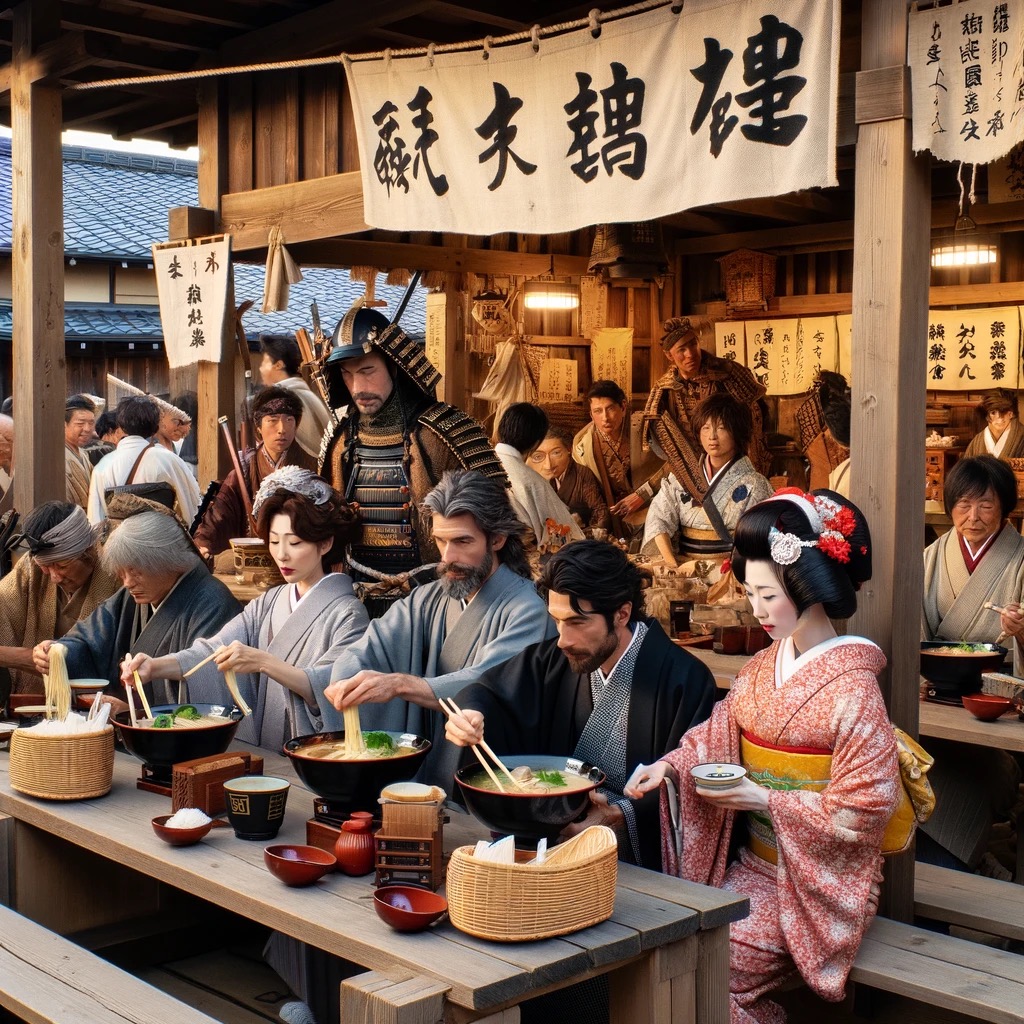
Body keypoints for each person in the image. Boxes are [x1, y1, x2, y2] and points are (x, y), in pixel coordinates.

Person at [625, 490, 900, 1024]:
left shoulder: (855, 689)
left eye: (767, 595)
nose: (755, 609)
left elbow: (867, 808)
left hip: (820, 884)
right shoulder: (761, 668)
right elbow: (715, 735)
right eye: (749, 593)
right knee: (680, 944)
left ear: (807, 586)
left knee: (712, 966)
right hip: (755, 867)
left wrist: (767, 800)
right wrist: (673, 767)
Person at [444, 540, 716, 870]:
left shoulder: (685, 680)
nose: (563, 639)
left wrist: (620, 816)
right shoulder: (555, 659)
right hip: (555, 840)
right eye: (557, 621)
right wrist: (472, 714)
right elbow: (487, 691)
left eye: (576, 622)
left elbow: (691, 783)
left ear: (622, 613)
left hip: (630, 851)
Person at [318, 469, 555, 783]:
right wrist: (346, 680)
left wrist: (399, 684)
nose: (448, 557)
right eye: (441, 541)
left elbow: (486, 685)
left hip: (489, 776)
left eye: (462, 541)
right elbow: (372, 646)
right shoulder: (426, 599)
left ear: (497, 539)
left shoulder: (528, 610)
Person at [124, 469, 367, 748]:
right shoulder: (269, 601)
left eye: (295, 542)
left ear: (325, 543)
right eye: (274, 542)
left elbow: (333, 688)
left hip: (312, 752)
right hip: (266, 750)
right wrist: (154, 667)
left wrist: (263, 661)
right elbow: (211, 651)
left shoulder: (348, 614)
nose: (282, 554)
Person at [318, 301, 504, 615]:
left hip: (439, 600)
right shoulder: (339, 436)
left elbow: (497, 523)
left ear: (393, 365)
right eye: (347, 375)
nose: (358, 387)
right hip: (354, 600)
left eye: (367, 371)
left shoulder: (447, 430)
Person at [920, 454, 1024, 870]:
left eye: (986, 504)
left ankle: (963, 860)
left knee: (977, 771)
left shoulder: (1019, 558)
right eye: (963, 504)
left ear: (1005, 508)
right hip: (936, 695)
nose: (973, 516)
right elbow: (915, 626)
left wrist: (1020, 632)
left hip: (997, 704)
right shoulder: (933, 555)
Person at [32, 506, 241, 702]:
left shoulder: (214, 604)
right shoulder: (132, 597)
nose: (128, 583)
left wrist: (136, 714)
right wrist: (58, 651)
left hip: (178, 733)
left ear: (166, 561)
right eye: (122, 573)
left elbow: (208, 682)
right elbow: (88, 639)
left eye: (136, 572)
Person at [643, 316, 768, 503]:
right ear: (669, 355)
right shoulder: (664, 389)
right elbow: (667, 444)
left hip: (734, 461)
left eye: (693, 344)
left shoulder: (727, 373)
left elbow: (754, 419)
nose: (690, 354)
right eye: (681, 350)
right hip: (691, 469)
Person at [642, 393, 773, 568]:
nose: (712, 436)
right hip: (685, 570)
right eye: (705, 427)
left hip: (730, 572)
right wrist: (671, 563)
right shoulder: (682, 478)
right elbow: (658, 519)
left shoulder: (756, 484)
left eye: (721, 428)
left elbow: (759, 540)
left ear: (737, 432)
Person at [0, 501, 119, 694]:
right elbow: (3, 601)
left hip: (103, 702)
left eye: (62, 566)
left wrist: (25, 657)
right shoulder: (31, 569)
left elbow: (101, 656)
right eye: (45, 567)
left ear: (87, 551)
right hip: (39, 704)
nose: (54, 577)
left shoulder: (114, 573)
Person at [193, 386, 318, 559]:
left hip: (298, 556)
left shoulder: (312, 467)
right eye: (272, 420)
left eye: (289, 420)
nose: (282, 428)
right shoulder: (244, 469)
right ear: (258, 427)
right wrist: (203, 543)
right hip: (255, 557)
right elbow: (219, 513)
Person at [88, 396, 201, 527]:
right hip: (164, 541)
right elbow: (191, 506)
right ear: (155, 427)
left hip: (119, 544)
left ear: (121, 426)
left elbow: (95, 520)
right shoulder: (170, 460)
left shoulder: (103, 466)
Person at [572, 379, 664, 537]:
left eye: (610, 409)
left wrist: (643, 494)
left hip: (655, 507)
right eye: (598, 411)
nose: (605, 417)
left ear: (622, 406)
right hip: (612, 519)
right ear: (591, 414)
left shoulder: (646, 428)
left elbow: (674, 465)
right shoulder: (582, 445)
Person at [495, 403, 583, 549]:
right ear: (536, 443)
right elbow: (565, 538)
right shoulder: (532, 482)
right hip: (519, 563)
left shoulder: (477, 467)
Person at [258, 333, 332, 459]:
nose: (260, 369)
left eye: (264, 363)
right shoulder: (307, 394)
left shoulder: (281, 401)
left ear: (278, 365)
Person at [528, 427, 610, 531]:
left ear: (569, 449)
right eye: (540, 456)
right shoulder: (536, 475)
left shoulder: (582, 474)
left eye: (556, 453)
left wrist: (586, 535)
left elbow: (600, 511)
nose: (548, 465)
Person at [964, 389, 1024, 461]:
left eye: (1003, 412)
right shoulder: (977, 440)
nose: (999, 417)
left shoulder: (1021, 436)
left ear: (1011, 414)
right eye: (993, 413)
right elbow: (966, 467)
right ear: (987, 415)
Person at [64, 395, 96, 509]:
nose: (87, 429)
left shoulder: (83, 454)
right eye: (80, 423)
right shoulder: (59, 458)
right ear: (64, 424)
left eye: (91, 423)